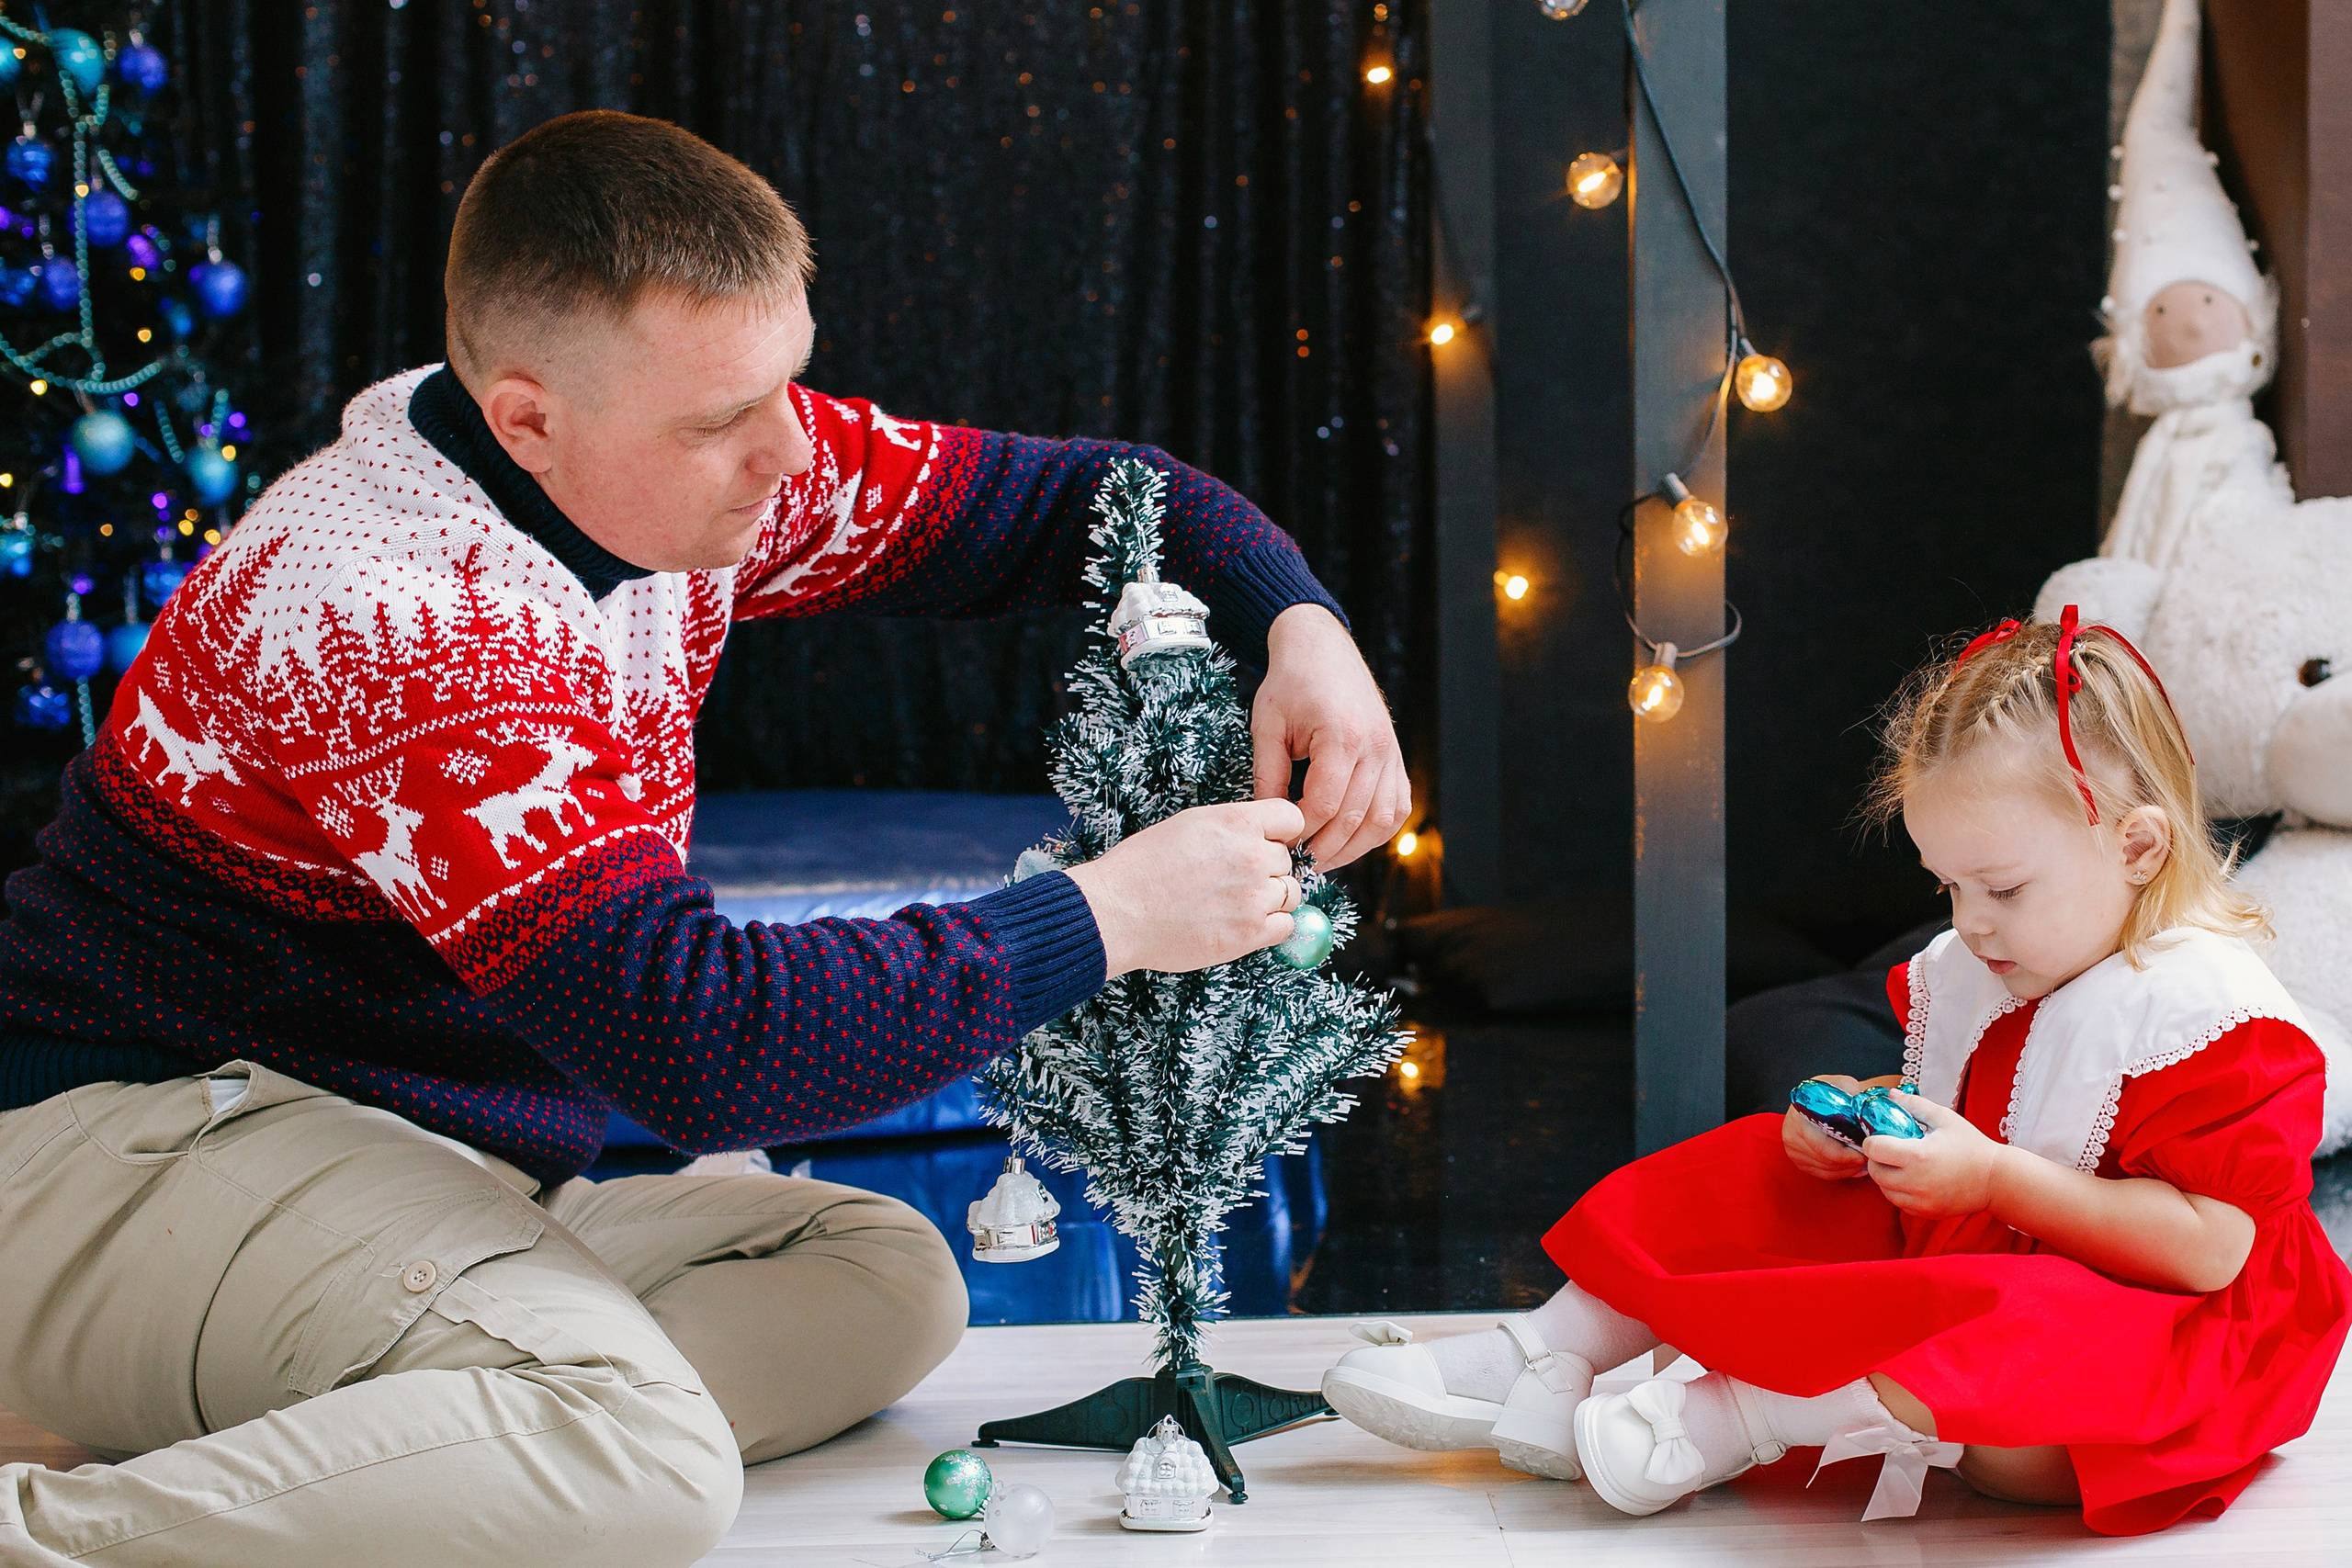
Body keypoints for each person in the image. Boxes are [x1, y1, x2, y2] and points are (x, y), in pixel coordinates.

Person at [0, 111, 1407, 1567]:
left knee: (880, 1276)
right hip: (137, 1145)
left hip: (400, 1156)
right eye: (718, 418)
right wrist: (1107, 914)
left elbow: (1100, 502)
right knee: (649, 1460)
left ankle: (348, 1443)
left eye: (786, 380)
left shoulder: (663, 466)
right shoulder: (409, 614)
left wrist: (1300, 622)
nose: (787, 448)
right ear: (527, 415)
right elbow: (698, 1046)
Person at [1324, 611, 2349, 1535]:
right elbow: (1965, 1116)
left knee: (2024, 1351)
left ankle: (1742, 1411)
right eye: (1945, 885)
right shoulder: (1991, 964)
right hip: (1981, 1272)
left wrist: (1992, 1179)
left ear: (2134, 847)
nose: (1967, 923)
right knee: (1753, 1161)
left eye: (1998, 887)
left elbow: (2213, 1254)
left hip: (2152, 1356)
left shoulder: (2214, 1019)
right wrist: (1866, 1129)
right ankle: (1546, 1351)